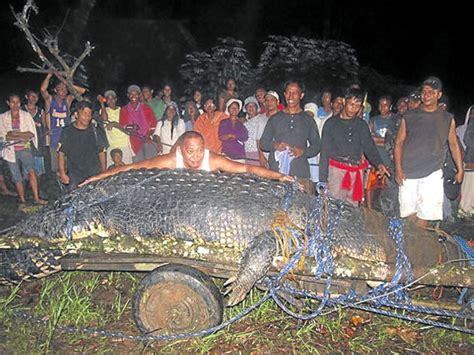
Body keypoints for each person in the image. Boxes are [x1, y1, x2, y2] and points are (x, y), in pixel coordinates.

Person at [81, 131, 294, 187]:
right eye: (190, 152)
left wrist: (279, 176)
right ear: (181, 150)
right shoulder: (171, 160)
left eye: (199, 151)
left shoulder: (213, 161)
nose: (195, 157)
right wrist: (98, 177)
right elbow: (134, 166)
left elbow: (247, 169)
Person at [394, 76, 463, 227]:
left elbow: (453, 144)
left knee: (425, 213)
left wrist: (460, 169)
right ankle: (411, 243)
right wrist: (398, 168)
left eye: (431, 92)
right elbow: (398, 142)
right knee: (409, 213)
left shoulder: (447, 118)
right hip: (409, 171)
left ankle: (417, 246)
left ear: (439, 95)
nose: (427, 95)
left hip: (432, 172)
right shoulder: (410, 115)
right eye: (424, 91)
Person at [319, 88, 389, 207]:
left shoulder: (361, 125)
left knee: (352, 209)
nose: (354, 108)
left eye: (358, 105)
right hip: (336, 172)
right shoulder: (331, 124)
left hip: (355, 173)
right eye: (351, 104)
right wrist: (323, 179)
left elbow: (369, 147)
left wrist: (379, 164)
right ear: (344, 102)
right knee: (333, 208)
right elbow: (324, 151)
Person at [260, 80, 320, 193]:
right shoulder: (275, 118)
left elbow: (316, 146)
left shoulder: (308, 120)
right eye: (288, 92)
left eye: (295, 93)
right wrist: (275, 145)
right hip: (276, 174)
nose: (290, 96)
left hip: (300, 173)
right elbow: (263, 143)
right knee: (275, 209)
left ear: (301, 95)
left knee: (300, 209)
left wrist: (302, 151)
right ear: (284, 94)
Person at [0, 94, 46, 204]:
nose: (15, 105)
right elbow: (4, 136)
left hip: (25, 148)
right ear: (8, 103)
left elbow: (30, 134)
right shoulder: (3, 117)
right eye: (12, 102)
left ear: (21, 103)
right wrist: (21, 136)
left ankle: (36, 198)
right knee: (16, 175)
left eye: (17, 102)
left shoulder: (25, 116)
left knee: (31, 171)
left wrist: (14, 133)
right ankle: (22, 199)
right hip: (10, 150)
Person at [40, 71, 86, 172]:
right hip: (54, 136)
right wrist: (49, 75)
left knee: (69, 164)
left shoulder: (68, 100)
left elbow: (82, 91)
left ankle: (70, 185)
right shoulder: (50, 100)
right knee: (57, 166)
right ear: (56, 90)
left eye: (65, 89)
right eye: (60, 89)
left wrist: (66, 82)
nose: (63, 91)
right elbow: (43, 89)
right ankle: (60, 185)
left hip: (67, 136)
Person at [58, 101, 108, 189]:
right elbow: (61, 153)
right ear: (76, 114)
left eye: (89, 114)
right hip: (75, 175)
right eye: (84, 114)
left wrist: (103, 172)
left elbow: (102, 152)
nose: (87, 117)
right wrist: (62, 173)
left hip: (94, 173)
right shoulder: (67, 131)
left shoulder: (96, 130)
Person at [367, 96, 395, 208]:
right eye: (380, 105)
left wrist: (378, 140)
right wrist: (385, 141)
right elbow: (369, 138)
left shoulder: (395, 120)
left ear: (390, 106)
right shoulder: (374, 120)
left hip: (389, 159)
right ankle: (369, 209)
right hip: (376, 158)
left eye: (385, 105)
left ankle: (385, 209)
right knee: (371, 185)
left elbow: (395, 141)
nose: (382, 108)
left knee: (387, 187)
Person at [119, 85, 157, 162]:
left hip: (148, 141)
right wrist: (132, 127)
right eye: (131, 94)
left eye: (136, 94)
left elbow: (153, 125)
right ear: (128, 95)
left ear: (139, 95)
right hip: (134, 143)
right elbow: (123, 126)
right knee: (139, 168)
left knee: (152, 165)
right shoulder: (124, 110)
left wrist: (148, 134)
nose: (133, 96)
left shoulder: (146, 108)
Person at [98, 90, 133, 166]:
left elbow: (128, 129)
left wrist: (115, 124)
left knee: (127, 170)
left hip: (125, 145)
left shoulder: (123, 110)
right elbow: (104, 119)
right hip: (112, 146)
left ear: (116, 99)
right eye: (108, 99)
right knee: (112, 172)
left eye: (112, 98)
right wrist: (101, 103)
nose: (110, 101)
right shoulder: (104, 110)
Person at [23, 90, 46, 176]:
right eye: (32, 96)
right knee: (27, 170)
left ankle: (39, 187)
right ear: (26, 96)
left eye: (36, 96)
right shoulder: (21, 110)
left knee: (39, 170)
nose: (34, 98)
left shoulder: (40, 111)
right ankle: (27, 186)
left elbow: (44, 126)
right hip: (25, 143)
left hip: (38, 143)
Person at [458, 105, 474, 215]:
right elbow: (468, 142)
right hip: (469, 164)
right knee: (467, 193)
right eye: (472, 113)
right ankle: (465, 214)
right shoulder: (462, 129)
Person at [242, 96, 261, 165]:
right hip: (247, 154)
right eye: (248, 106)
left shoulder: (262, 119)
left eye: (253, 106)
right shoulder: (244, 124)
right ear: (246, 109)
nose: (251, 108)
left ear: (257, 108)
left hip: (259, 154)